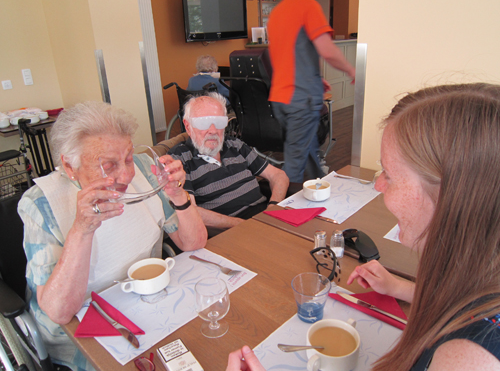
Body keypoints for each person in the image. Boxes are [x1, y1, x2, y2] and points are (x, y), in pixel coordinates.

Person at [226, 83, 500, 371]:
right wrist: (399, 287)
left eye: (389, 175)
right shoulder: (477, 279)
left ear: (447, 195)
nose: (378, 184)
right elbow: (455, 299)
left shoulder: (472, 357)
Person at [18, 101, 207, 370]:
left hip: (143, 303)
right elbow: (59, 312)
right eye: (108, 165)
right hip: (79, 331)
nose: (128, 173)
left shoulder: (144, 170)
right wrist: (81, 228)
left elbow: (194, 243)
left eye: (128, 157)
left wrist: (177, 194)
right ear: (70, 166)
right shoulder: (40, 204)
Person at [168, 93, 289, 234]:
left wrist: (273, 208)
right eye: (203, 123)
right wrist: (244, 224)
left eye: (219, 122)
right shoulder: (179, 159)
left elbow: (279, 175)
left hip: (265, 219)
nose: (213, 130)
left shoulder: (234, 145)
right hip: (231, 232)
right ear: (188, 126)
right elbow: (190, 211)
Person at [266, 0, 356, 183]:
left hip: (281, 97)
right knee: (295, 162)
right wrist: (351, 70)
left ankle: (320, 186)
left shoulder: (277, 12)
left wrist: (315, 78)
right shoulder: (307, 6)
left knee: (307, 150)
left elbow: (287, 55)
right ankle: (283, 206)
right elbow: (327, 50)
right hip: (300, 97)